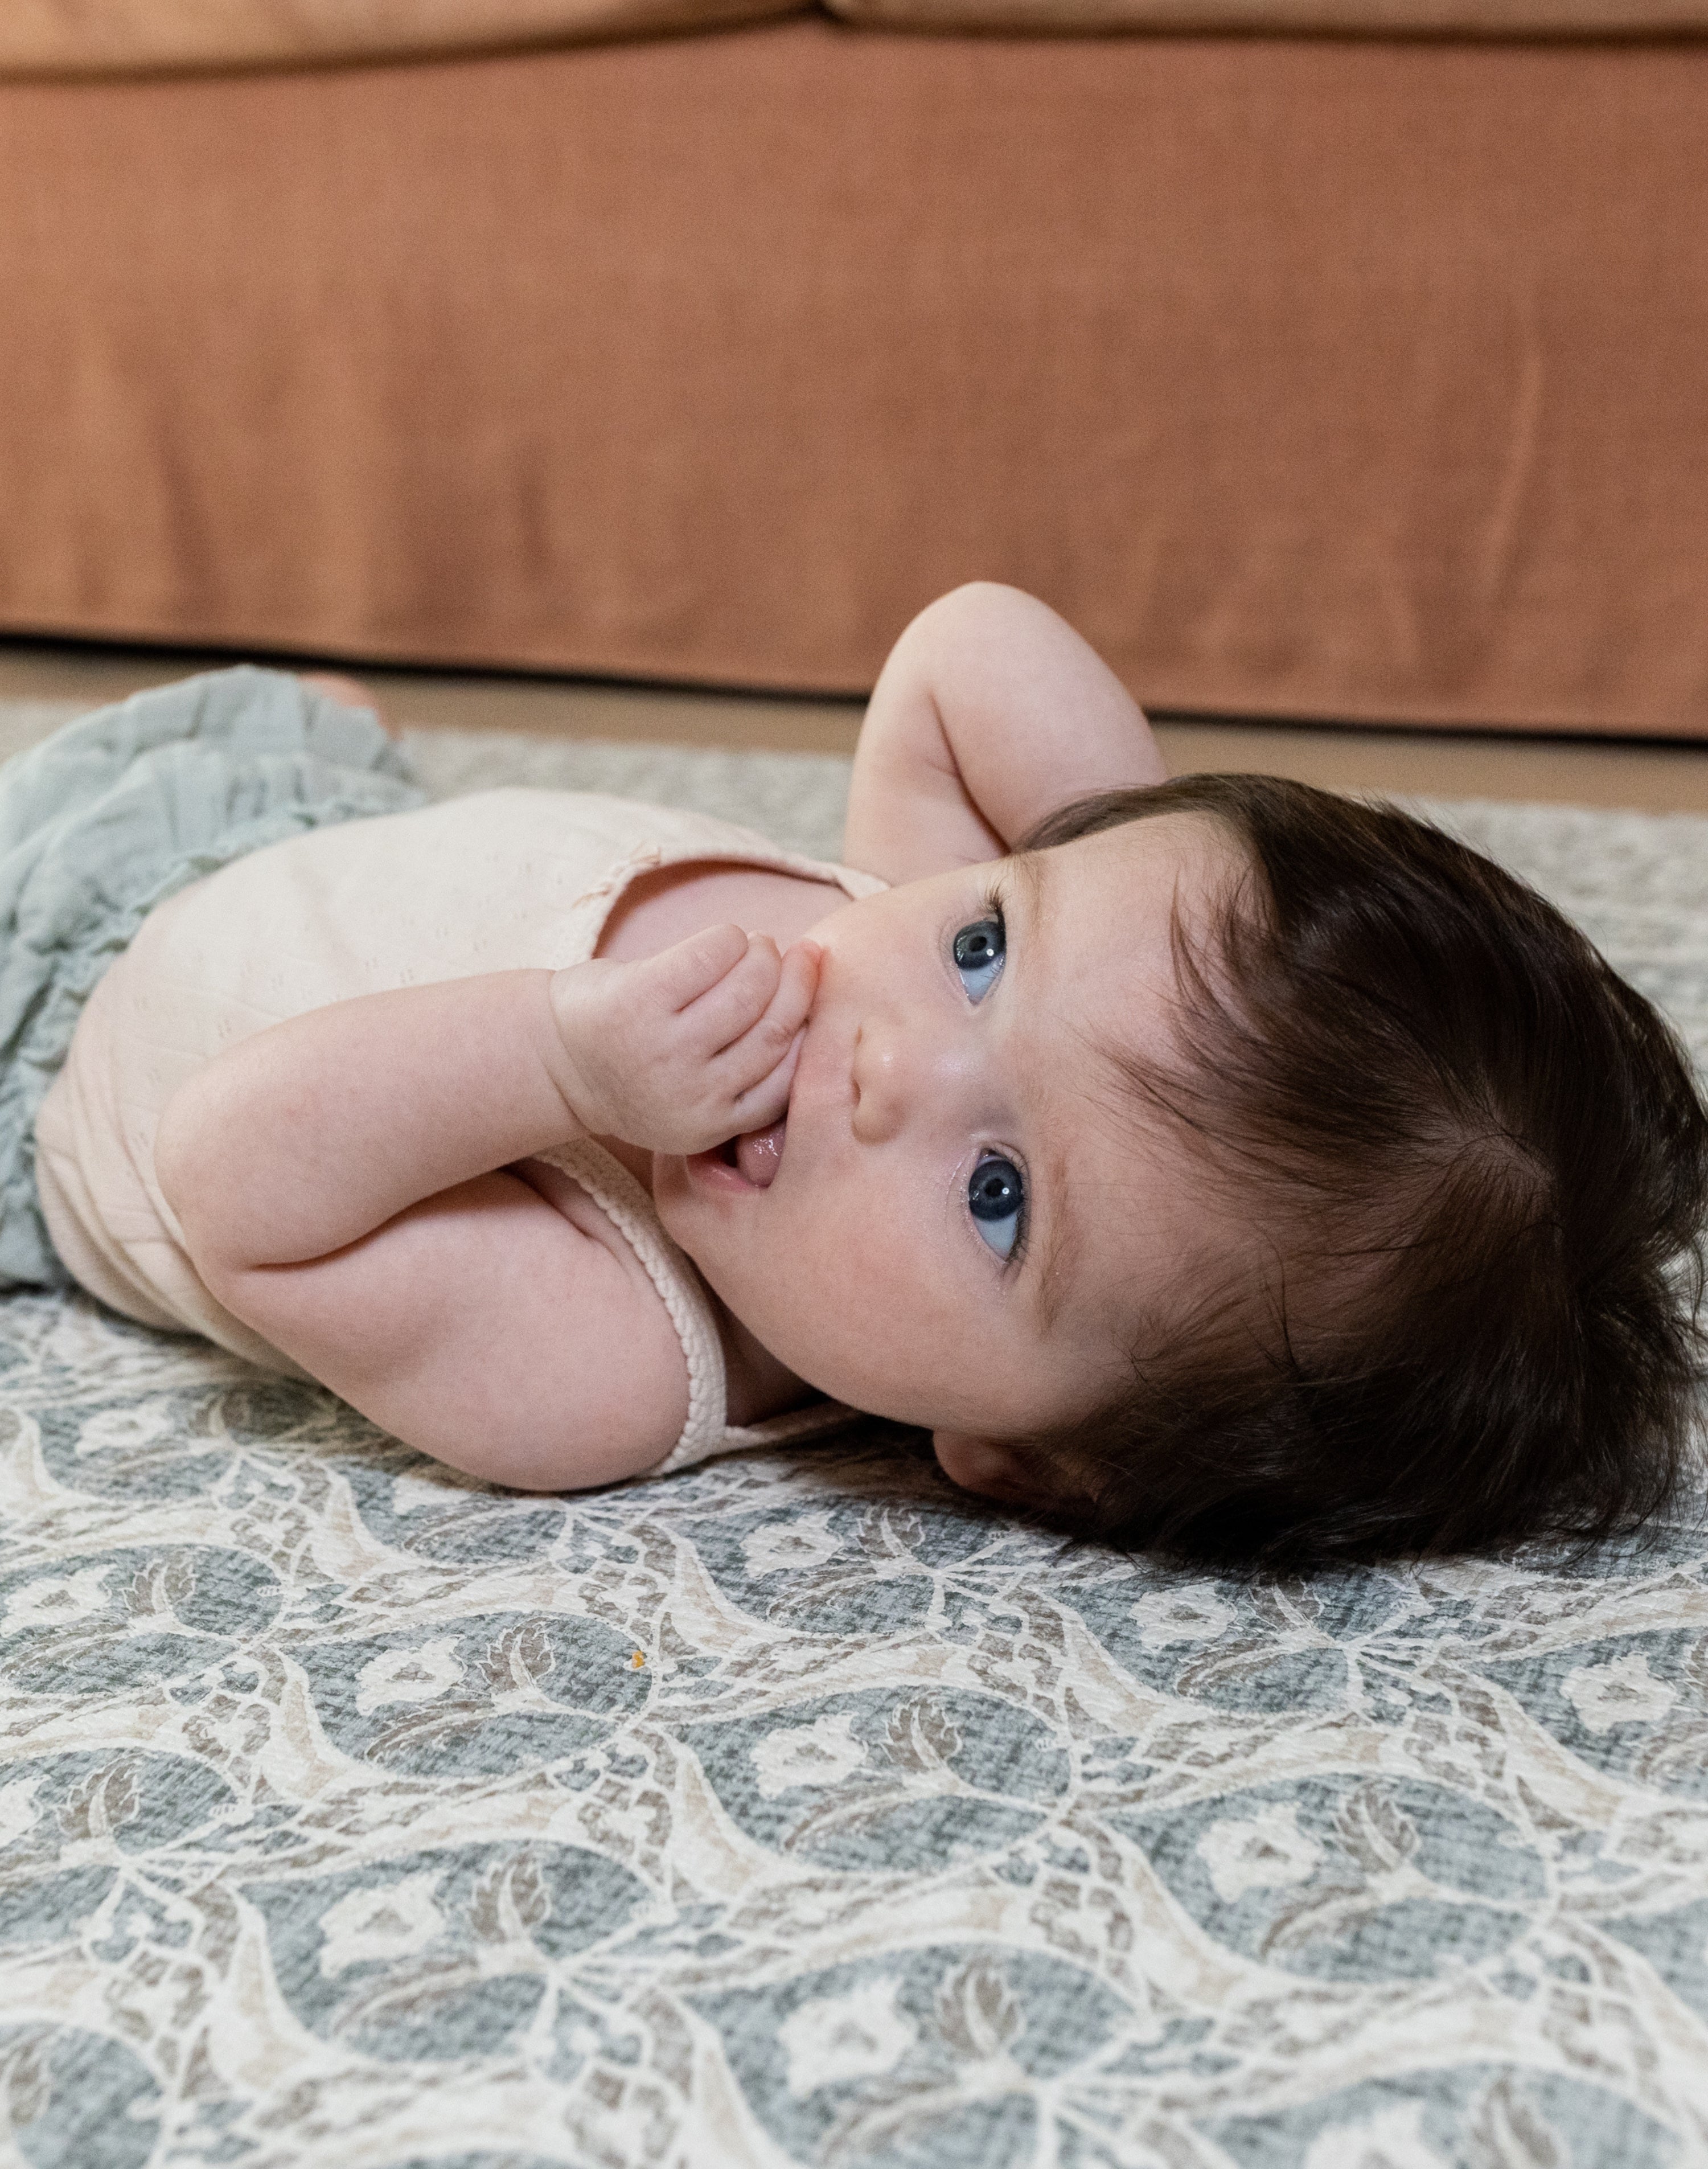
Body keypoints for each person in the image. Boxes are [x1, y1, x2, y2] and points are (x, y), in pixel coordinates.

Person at [3, 585, 1703, 1568]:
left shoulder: (608, 1363)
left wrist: (556, 1056)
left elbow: (228, 1173)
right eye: (991, 947)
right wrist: (1123, 880)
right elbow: (971, 642)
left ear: (1028, 1460)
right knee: (297, 714)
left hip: (59, 1014)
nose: (890, 1059)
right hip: (290, 834)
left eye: (999, 1196)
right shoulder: (899, 937)